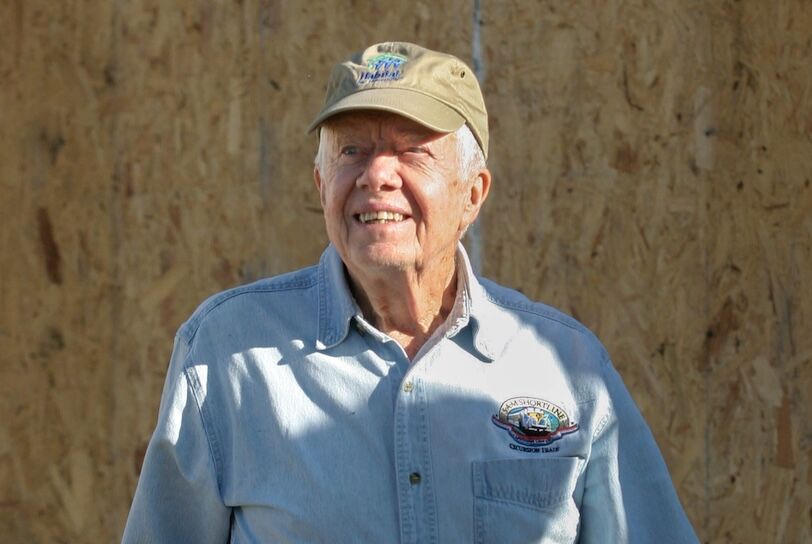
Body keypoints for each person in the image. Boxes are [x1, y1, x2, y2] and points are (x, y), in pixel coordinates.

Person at [122, 41, 698, 543]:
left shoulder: (566, 368)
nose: (377, 174)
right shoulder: (227, 352)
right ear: (322, 184)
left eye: (413, 149)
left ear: (472, 194)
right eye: (351, 151)